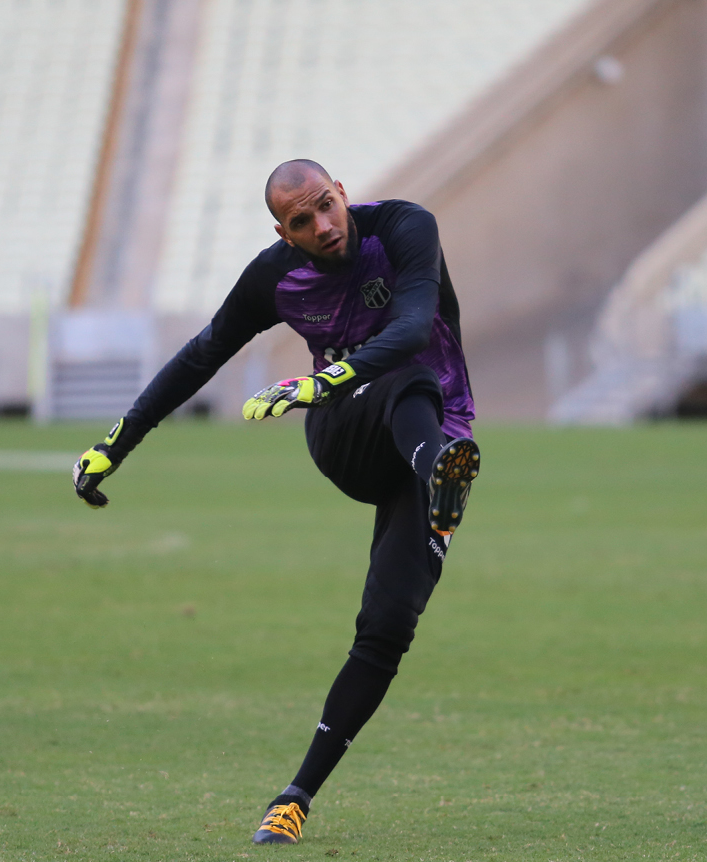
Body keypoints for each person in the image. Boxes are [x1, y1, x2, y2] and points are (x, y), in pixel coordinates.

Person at [70, 159, 480, 844]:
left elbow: (411, 324)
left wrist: (318, 381)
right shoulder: (275, 277)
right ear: (282, 232)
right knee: (403, 382)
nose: (322, 226)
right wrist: (117, 442)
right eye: (302, 220)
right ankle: (440, 469)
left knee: (386, 625)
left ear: (342, 193)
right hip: (346, 434)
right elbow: (202, 354)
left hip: (424, 434)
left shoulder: (406, 227)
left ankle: (293, 798)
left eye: (326, 206)